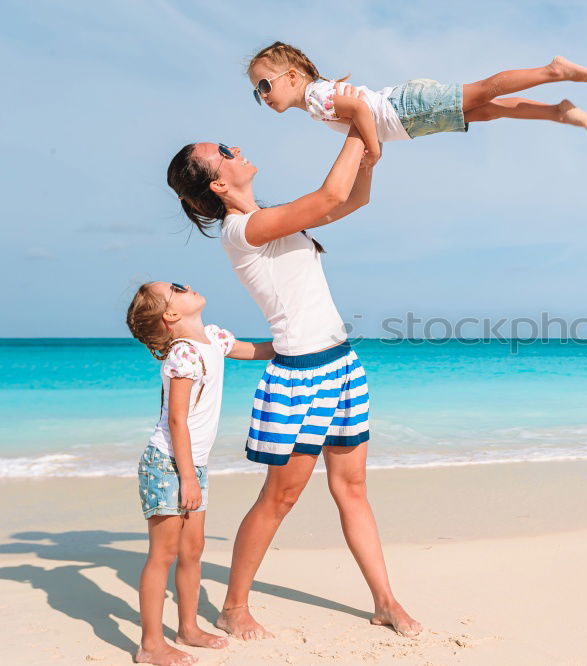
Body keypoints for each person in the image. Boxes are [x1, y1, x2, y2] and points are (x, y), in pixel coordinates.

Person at [166, 129, 422, 639]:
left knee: (353, 489)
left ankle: (385, 602)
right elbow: (329, 195)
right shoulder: (242, 231)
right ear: (217, 185)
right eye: (222, 152)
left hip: (342, 366)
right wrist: (356, 122)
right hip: (300, 379)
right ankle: (234, 607)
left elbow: (353, 198)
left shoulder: (270, 218)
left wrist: (368, 155)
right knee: (279, 499)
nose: (235, 148)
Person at [126, 281, 274, 665]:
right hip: (168, 464)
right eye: (176, 289)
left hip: (194, 464)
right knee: (164, 553)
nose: (187, 285)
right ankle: (150, 644)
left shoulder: (212, 338)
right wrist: (188, 478)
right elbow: (177, 421)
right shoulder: (183, 355)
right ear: (171, 315)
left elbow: (257, 350)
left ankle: (187, 627)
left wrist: (303, 344)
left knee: (193, 550)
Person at [247, 41, 587, 169]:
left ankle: (553, 71)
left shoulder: (314, 98)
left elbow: (361, 111)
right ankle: (557, 111)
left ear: (292, 76)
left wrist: (373, 150)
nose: (263, 95)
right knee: (489, 110)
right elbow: (359, 111)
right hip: (410, 119)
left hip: (408, 110)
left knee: (484, 91)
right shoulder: (317, 98)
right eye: (256, 92)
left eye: (264, 85)